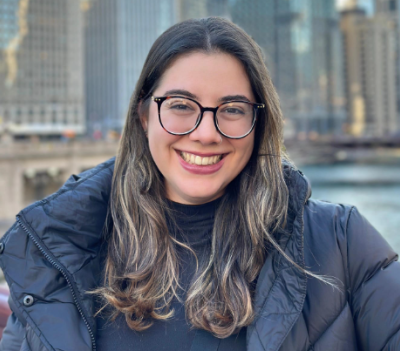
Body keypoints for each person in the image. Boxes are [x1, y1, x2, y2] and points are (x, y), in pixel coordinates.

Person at [0, 17, 399, 351]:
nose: (206, 133)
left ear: (259, 123)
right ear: (143, 114)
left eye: (232, 109)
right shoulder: (53, 254)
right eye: (180, 106)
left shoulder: (342, 243)